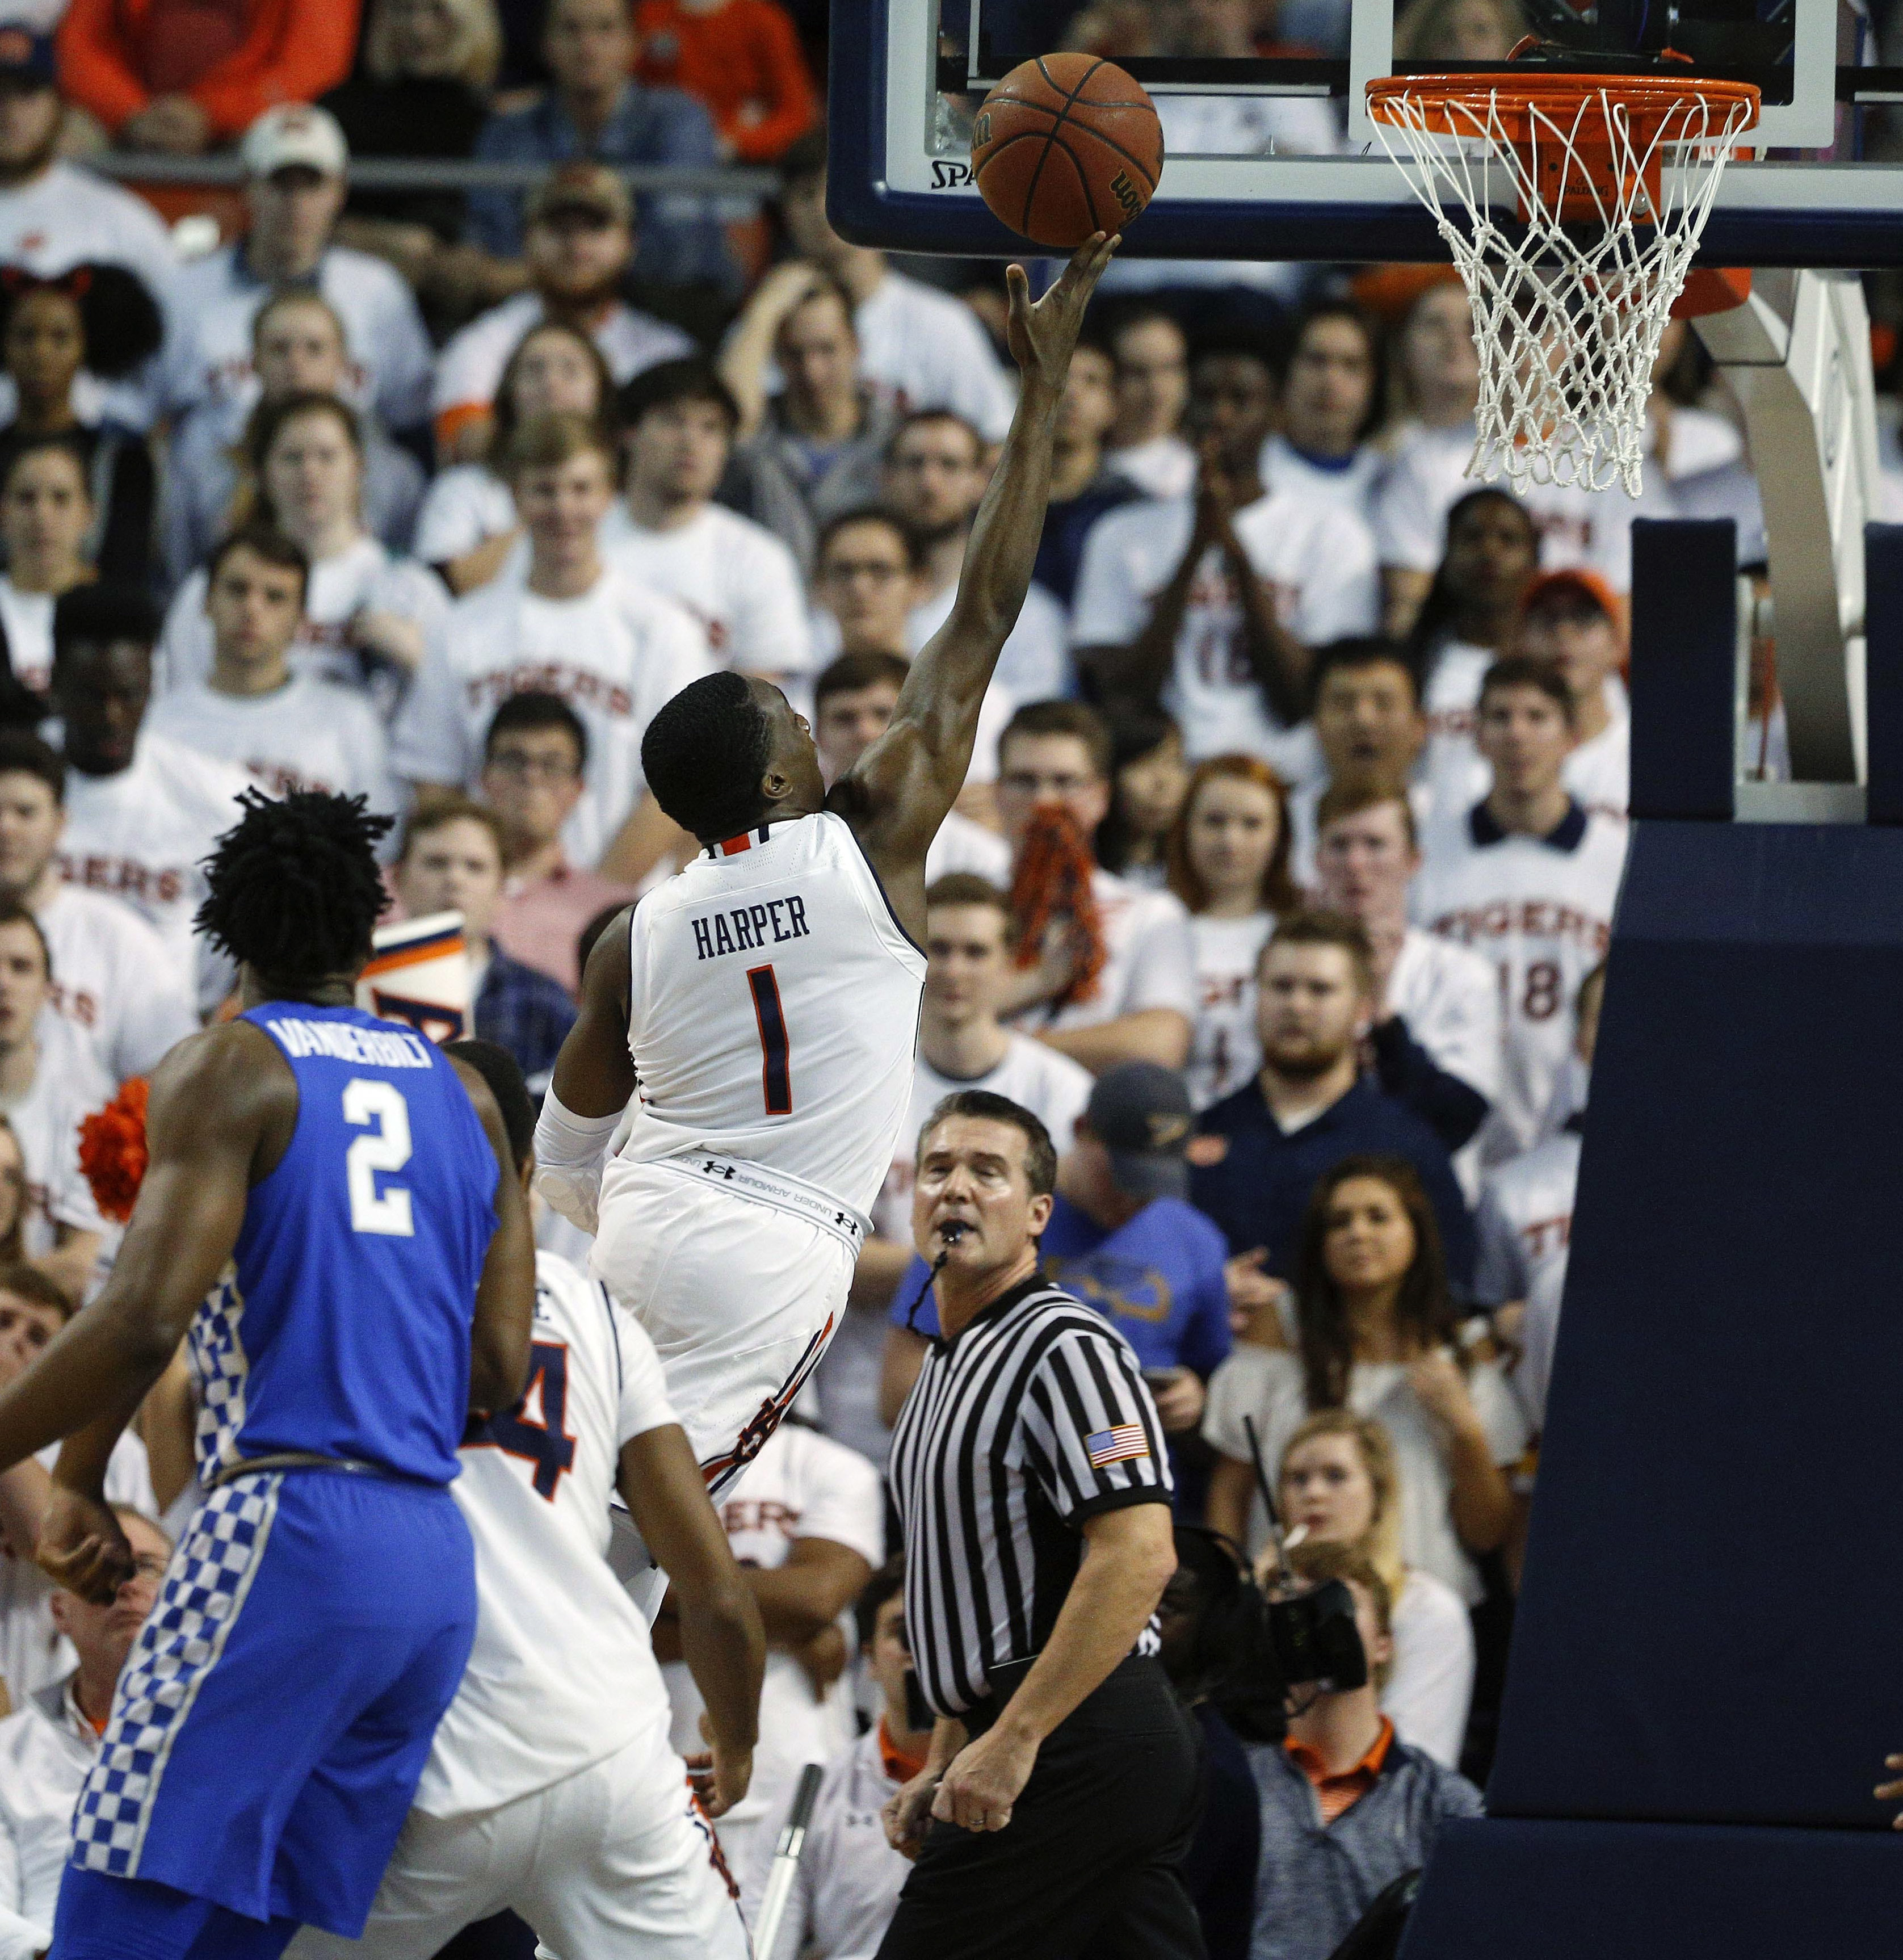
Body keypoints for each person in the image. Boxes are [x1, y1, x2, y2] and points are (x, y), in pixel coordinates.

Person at [532, 238, 1116, 1530]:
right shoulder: (873, 836)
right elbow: (982, 612)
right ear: (784, 781)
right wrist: (1044, 393)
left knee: (573, 1512)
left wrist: (603, 1209)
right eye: (793, 717)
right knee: (628, 1542)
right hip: (781, 1244)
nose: (815, 721)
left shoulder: (632, 932)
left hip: (646, 1216)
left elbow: (564, 1155)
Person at [0, 786, 536, 1960]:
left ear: (232, 938)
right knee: (242, 1935)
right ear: (367, 935)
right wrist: (85, 1473)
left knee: (116, 1893)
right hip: (431, 1566)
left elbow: (143, 1315)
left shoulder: (234, 1064)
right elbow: (497, 1367)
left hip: (289, 1524)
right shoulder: (464, 1096)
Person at [284, 1035, 761, 1960]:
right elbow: (716, 1595)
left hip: (425, 1769)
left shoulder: (339, 1284)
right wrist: (735, 1740)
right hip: (609, 1757)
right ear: (529, 1168)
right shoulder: (598, 1313)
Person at [878, 1090, 1195, 1958]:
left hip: (1075, 1735)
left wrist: (1014, 1737)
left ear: (1037, 1216)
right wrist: (948, 1749)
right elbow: (968, 1595)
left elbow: (1139, 1554)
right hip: (1043, 1732)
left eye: (989, 1172)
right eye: (938, 1169)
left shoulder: (1067, 1345)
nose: (957, 1190)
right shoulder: (939, 1372)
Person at [889, 1064, 1232, 1505]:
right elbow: (897, 1392)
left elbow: (1215, 1376)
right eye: (1121, 1177)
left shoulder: (1195, 1239)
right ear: (1080, 1131)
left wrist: (1192, 1399)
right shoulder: (985, 1216)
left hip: (1135, 1490)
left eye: (1151, 1184)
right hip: (1000, 1493)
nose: (1132, 1199)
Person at [393, 412, 711, 874]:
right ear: (516, 498)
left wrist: (588, 906)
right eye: (544, 489)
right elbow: (434, 782)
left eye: (580, 489)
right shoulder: (459, 629)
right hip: (489, 910)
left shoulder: (661, 629)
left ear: (609, 495)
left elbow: (674, 793)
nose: (563, 509)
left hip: (618, 915)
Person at [1203, 1155, 1523, 1604]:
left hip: (1420, 1604)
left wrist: (1463, 1424)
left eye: (1378, 1217)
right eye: (1339, 1222)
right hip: (1287, 1603)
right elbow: (1230, 1488)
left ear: (1416, 1230)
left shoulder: (1463, 1346)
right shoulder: (1279, 1328)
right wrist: (1231, 1596)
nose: (1358, 1233)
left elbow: (1488, 1531)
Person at [1073, 337, 1379, 780]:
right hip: (1162, 782)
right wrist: (1194, 551)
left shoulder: (1331, 533)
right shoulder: (1120, 533)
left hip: (1281, 780)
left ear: (1275, 412)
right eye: (1205, 398)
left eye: (1240, 400)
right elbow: (1120, 696)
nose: (1219, 416)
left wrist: (1234, 553)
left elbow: (1300, 700)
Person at [864, 874, 1093, 1421]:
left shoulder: (1060, 1090)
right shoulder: (862, 1083)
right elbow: (826, 1254)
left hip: (1008, 1399)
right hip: (862, 1391)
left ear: (1011, 961)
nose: (954, 969)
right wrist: (979, 1262)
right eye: (938, 949)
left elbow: (1073, 1254)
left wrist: (929, 1266)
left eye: (975, 951)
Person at [655, 1408, 881, 1890]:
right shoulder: (642, 1453)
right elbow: (616, 1618)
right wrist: (786, 1628)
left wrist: (667, 1585)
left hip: (802, 1774)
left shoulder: (830, 1464)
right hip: (660, 1773)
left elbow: (817, 1595)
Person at [1188, 912, 1476, 1290]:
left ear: (1362, 1009)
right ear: (1255, 997)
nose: (1297, 1005)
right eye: (1280, 986)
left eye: (1320, 989)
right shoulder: (1201, 1134)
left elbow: (1448, 1293)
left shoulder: (1408, 1147)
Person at [1413, 658, 1627, 1160]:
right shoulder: (1427, 852)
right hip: (1455, 1122)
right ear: (1477, 735)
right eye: (1500, 717)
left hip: (1579, 1125)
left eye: (1536, 717)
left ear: (1571, 735)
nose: (1516, 734)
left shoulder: (1617, 855)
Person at [1245, 1541, 1482, 1960]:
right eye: (1292, 1608)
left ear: (1384, 1644)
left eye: (1334, 1605)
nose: (1313, 1625)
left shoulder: (1445, 1805)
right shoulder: (1231, 1784)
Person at [156, 392, 449, 724]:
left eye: (327, 456)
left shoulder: (409, 587)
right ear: (260, 472)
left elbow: (452, 721)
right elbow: (179, 703)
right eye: (292, 457)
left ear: (359, 467)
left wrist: (419, 660)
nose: (310, 472)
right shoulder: (218, 584)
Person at [154, 106, 434, 447]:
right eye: (281, 184)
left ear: (339, 191)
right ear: (248, 187)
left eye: (312, 185)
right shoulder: (185, 289)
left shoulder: (379, 289)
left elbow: (410, 420)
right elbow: (137, 414)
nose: (297, 204)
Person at [51, 584, 257, 1014]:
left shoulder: (212, 794)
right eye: (93, 696)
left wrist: (245, 993)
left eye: (128, 695)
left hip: (167, 1044)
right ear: (56, 684)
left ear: (151, 685)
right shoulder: (17, 780)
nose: (112, 717)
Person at [163, 289, 427, 590]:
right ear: (254, 362)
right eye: (279, 349)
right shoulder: (205, 463)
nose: (296, 364)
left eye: (314, 349)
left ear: (343, 362)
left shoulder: (394, 473)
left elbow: (407, 576)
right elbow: (182, 571)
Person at [436, 161, 694, 463]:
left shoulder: (666, 351)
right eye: (559, 228)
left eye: (595, 227)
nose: (576, 245)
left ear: (629, 244)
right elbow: (465, 445)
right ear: (527, 240)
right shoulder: (484, 341)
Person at [993, 699, 1198, 1075]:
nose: (1044, 802)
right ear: (997, 793)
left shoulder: (1150, 913)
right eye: (1024, 781)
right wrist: (1035, 983)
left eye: (1065, 782)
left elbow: (1159, 1044)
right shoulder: (955, 904)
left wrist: (992, 1044)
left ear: (1100, 797)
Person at [467, 0, 731, 291]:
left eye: (606, 29)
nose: (588, 48)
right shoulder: (509, 132)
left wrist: (547, 274)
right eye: (571, 30)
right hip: (534, 311)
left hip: (666, 306)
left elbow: (677, 249)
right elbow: (491, 241)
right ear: (545, 44)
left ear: (635, 42)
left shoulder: (680, 119)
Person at [0, 1504, 170, 1958]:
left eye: (149, 1567)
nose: (128, 1584)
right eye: (104, 1568)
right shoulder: (6, 1752)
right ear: (61, 1610)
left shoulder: (231, 1740)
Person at [773, 132, 1016, 444]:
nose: (824, 207)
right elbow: (732, 434)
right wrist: (763, 314)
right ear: (785, 211)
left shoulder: (943, 323)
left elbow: (997, 440)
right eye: (806, 194)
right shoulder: (767, 322)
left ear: (873, 196)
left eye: (836, 189)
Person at [148, 526, 398, 820]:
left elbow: (381, 844)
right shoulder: (159, 724)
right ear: (205, 602)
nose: (252, 609)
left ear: (301, 619)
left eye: (275, 597)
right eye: (237, 590)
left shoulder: (351, 722)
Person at [1275, 1410, 1476, 1768]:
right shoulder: (1264, 1599)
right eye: (1297, 1480)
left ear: (1379, 1495)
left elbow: (1418, 1756)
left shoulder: (1427, 1608)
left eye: (1335, 1476)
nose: (1313, 1493)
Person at [1311, 784, 1501, 1159]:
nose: (1355, 863)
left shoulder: (1461, 975)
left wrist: (1381, 1014)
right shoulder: (1286, 971)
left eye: (1374, 844)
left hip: (1425, 1198)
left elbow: (1451, 1121)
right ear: (1316, 859)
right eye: (1339, 845)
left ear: (1413, 860)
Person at [746, 1562, 923, 1960]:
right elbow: (765, 1941)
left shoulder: (1019, 1777)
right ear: (871, 1660)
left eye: (938, 1632)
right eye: (904, 1632)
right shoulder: (813, 1793)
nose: (922, 1650)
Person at [0, 728, 195, 1082]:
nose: (5, 828)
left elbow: (176, 1082)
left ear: (60, 823)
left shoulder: (120, 938)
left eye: (25, 812)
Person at [607, 359, 812, 686]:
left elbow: (770, 690)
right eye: (673, 421)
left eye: (711, 428)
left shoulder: (758, 557)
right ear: (628, 434)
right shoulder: (579, 536)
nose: (690, 441)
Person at [1473, 960, 1602, 1436]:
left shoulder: (1725, 1180)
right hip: (1547, 1431)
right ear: (1579, 1041)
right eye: (1606, 1014)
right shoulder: (1510, 1187)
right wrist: (1497, 1325)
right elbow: (1486, 1332)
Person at [318, 0, 507, 320]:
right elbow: (308, 218)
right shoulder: (340, 112)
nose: (420, 29)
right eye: (405, 9)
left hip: (470, 309)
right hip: (351, 303)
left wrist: (456, 264)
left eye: (437, 11)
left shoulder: (497, 123)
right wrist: (384, 242)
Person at [883, 409, 1070, 712]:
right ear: (886, 477)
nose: (929, 483)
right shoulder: (851, 600)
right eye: (914, 464)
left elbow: (1033, 717)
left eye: (950, 465)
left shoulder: (1027, 614)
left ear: (982, 480)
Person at [415, 316, 614, 597]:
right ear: (509, 394)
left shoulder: (631, 490)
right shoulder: (464, 488)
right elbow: (435, 590)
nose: (551, 383)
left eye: (570, 370)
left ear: (601, 392)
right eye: (534, 371)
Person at [0, 32, 177, 346]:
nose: (10, 113)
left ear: (60, 105)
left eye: (27, 94)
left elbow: (176, 333)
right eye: (0, 94)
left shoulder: (118, 217)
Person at [720, 267, 900, 574]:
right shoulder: (759, 433)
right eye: (795, 353)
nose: (812, 372)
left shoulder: (896, 437)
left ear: (856, 346)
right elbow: (728, 419)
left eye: (827, 350)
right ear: (775, 355)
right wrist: (765, 310)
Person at [393, 801, 578, 1089]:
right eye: (436, 863)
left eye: (475, 867)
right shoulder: (355, 990)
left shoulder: (546, 1002)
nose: (454, 880)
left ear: (502, 889)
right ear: (398, 878)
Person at [0, 279, 158, 589]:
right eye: (26, 336)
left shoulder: (124, 457)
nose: (41, 353)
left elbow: (128, 568)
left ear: (86, 346)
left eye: (60, 338)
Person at [809, 647, 1011, 886]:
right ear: (818, 735)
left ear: (918, 726)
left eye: (882, 714)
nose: (864, 732)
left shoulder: (978, 857)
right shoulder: (799, 851)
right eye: (845, 718)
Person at [480, 691, 635, 996]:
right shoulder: (423, 885)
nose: (531, 777)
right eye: (514, 760)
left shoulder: (617, 915)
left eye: (552, 765)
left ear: (578, 789)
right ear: (485, 777)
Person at [1168, 754, 1299, 1111]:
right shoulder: (1153, 926)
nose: (1230, 841)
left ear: (1281, 837)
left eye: (1252, 824)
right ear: (1186, 830)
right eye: (1214, 821)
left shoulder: (1301, 936)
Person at [1404, 488, 1542, 826]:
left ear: (1535, 562)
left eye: (1508, 540)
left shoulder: (1557, 669)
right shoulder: (1409, 665)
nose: (1489, 551)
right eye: (1472, 537)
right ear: (1446, 556)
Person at [56, 0, 358, 153]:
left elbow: (315, 63)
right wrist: (130, 111)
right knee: (56, 135)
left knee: (296, 144)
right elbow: (79, 45)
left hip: (250, 128)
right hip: (130, 121)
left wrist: (210, 114)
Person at [0, 902, 111, 1301]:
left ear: (49, 990)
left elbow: (80, 1264)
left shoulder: (85, 1115)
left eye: (21, 966)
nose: (4, 983)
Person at [1371, 280, 1485, 639]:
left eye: (1472, 323)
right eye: (1435, 323)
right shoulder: (1376, 459)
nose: (1454, 338)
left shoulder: (1520, 455)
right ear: (1403, 344)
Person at [1283, 638, 1431, 887]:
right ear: (1316, 725)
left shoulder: (1445, 818)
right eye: (1343, 704)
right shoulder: (1282, 824)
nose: (1363, 720)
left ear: (1420, 726)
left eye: (1384, 703)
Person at [1033, 330, 1143, 610]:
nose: (1071, 393)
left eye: (1091, 381)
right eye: (1058, 377)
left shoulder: (1129, 505)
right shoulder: (1000, 502)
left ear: (1114, 405)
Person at [634, 0, 818, 162]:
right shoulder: (651, 15)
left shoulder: (762, 20)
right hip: (658, 156)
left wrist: (741, 142)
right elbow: (627, 96)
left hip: (740, 169)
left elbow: (798, 115)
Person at [1514, 566, 1630, 820]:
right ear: (1520, 644)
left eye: (1584, 618)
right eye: (1548, 618)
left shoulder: (1647, 757)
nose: (1563, 632)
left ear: (1618, 645)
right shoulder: (1496, 751)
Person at [1263, 301, 1385, 526]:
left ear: (1373, 384)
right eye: (1316, 360)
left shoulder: (1389, 482)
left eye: (1351, 365)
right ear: (1287, 371)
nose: (1331, 381)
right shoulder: (1251, 466)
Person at [0, 440, 99, 699]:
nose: (42, 515)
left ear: (88, 514)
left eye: (61, 498)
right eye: (26, 498)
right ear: (3, 513)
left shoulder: (115, 613)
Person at [1102, 303, 1193, 499]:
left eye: (1170, 368)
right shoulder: (1077, 471)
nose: (1157, 391)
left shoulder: (1208, 473)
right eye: (1137, 373)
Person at [1094, 708, 1188, 889]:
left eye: (1174, 762)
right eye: (1144, 763)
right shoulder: (1085, 871)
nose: (1163, 781)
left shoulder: (1199, 873)